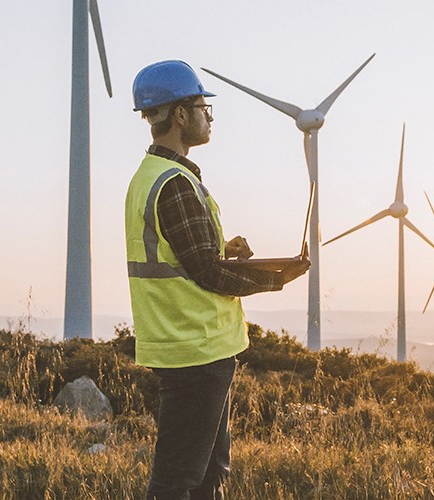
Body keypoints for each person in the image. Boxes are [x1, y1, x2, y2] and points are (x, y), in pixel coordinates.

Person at [125, 60, 310, 500]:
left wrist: (224, 248)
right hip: (195, 349)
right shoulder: (173, 183)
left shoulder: (154, 177)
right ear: (180, 114)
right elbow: (206, 272)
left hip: (192, 347)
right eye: (202, 106)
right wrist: (275, 277)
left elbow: (183, 257)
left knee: (208, 476)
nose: (208, 116)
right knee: (178, 479)